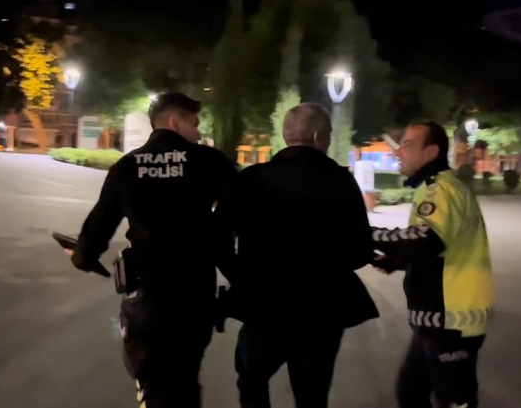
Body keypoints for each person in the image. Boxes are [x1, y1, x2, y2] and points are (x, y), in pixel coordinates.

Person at [69, 92, 236, 408]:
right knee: (185, 378)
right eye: (194, 124)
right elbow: (241, 212)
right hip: (194, 298)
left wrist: (82, 256)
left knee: (153, 382)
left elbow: (99, 225)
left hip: (146, 299)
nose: (198, 133)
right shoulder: (207, 161)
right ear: (174, 122)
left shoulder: (126, 167)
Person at [219, 103, 378, 408]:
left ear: (286, 135)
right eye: (328, 134)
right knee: (312, 394)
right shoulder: (340, 181)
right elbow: (360, 249)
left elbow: (217, 236)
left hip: (263, 304)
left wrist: (240, 276)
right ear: (318, 136)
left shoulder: (251, 179)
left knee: (252, 380)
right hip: (321, 309)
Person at [370, 121, 494, 408]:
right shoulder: (434, 187)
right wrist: (398, 260)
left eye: (408, 144)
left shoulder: (441, 190)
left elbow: (426, 240)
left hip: (451, 320)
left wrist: (365, 234)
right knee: (411, 393)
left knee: (453, 400)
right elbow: (439, 245)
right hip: (437, 319)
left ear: (431, 152)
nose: (398, 151)